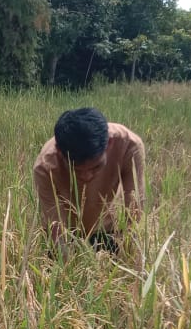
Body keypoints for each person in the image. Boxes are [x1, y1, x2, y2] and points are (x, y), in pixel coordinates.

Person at [32, 107, 144, 256]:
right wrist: (68, 272)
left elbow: (134, 210)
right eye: (77, 170)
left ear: (108, 144)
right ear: (60, 152)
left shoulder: (129, 145)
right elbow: (56, 228)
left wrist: (130, 258)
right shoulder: (45, 166)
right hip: (69, 232)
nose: (86, 176)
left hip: (109, 229)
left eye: (96, 167)